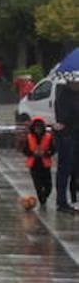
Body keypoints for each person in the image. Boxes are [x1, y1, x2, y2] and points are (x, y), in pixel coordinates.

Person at [55, 79, 79, 214]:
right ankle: (61, 201)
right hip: (67, 137)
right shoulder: (64, 97)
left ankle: (74, 198)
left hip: (76, 135)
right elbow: (63, 118)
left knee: (76, 170)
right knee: (65, 169)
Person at [22, 117, 54, 208]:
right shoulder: (29, 137)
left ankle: (44, 196)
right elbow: (25, 150)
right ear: (33, 128)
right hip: (34, 164)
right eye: (36, 127)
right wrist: (33, 153)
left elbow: (53, 149)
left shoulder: (48, 137)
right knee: (38, 184)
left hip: (45, 164)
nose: (38, 130)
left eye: (39, 127)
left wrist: (46, 153)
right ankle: (41, 199)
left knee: (49, 185)